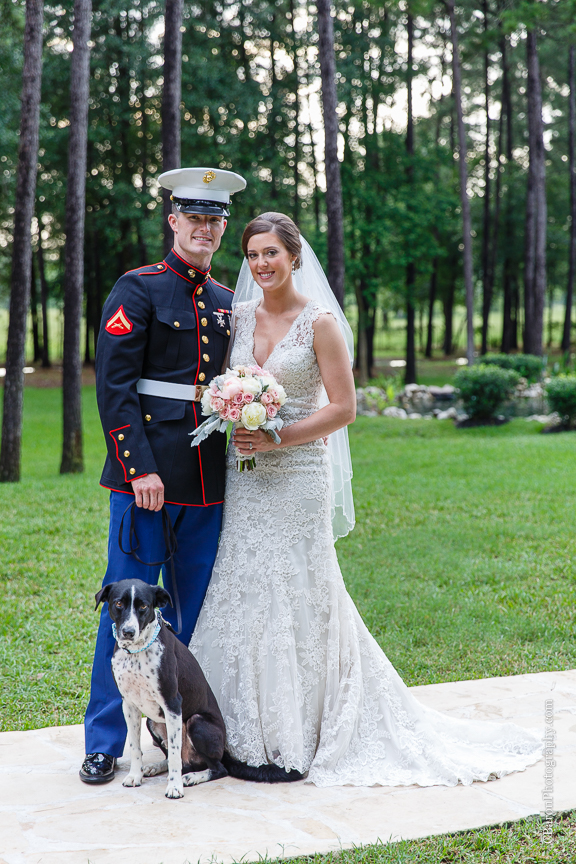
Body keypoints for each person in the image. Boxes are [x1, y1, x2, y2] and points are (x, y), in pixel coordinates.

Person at [190, 212, 542, 787]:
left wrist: (278, 435)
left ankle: (296, 737)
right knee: (244, 584)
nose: (261, 265)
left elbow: (343, 408)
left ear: (295, 257)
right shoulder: (242, 317)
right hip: (247, 475)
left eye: (271, 253)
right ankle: (241, 734)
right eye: (252, 255)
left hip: (298, 471)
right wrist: (235, 411)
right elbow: (226, 384)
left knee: (298, 590)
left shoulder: (321, 324)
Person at [80, 167, 246, 784]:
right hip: (145, 485)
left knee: (187, 619)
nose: (205, 228)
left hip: (205, 484)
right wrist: (139, 468)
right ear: (173, 221)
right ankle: (104, 742)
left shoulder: (230, 302)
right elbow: (115, 387)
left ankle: (181, 740)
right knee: (123, 613)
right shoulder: (138, 289)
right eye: (194, 217)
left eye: (215, 219)